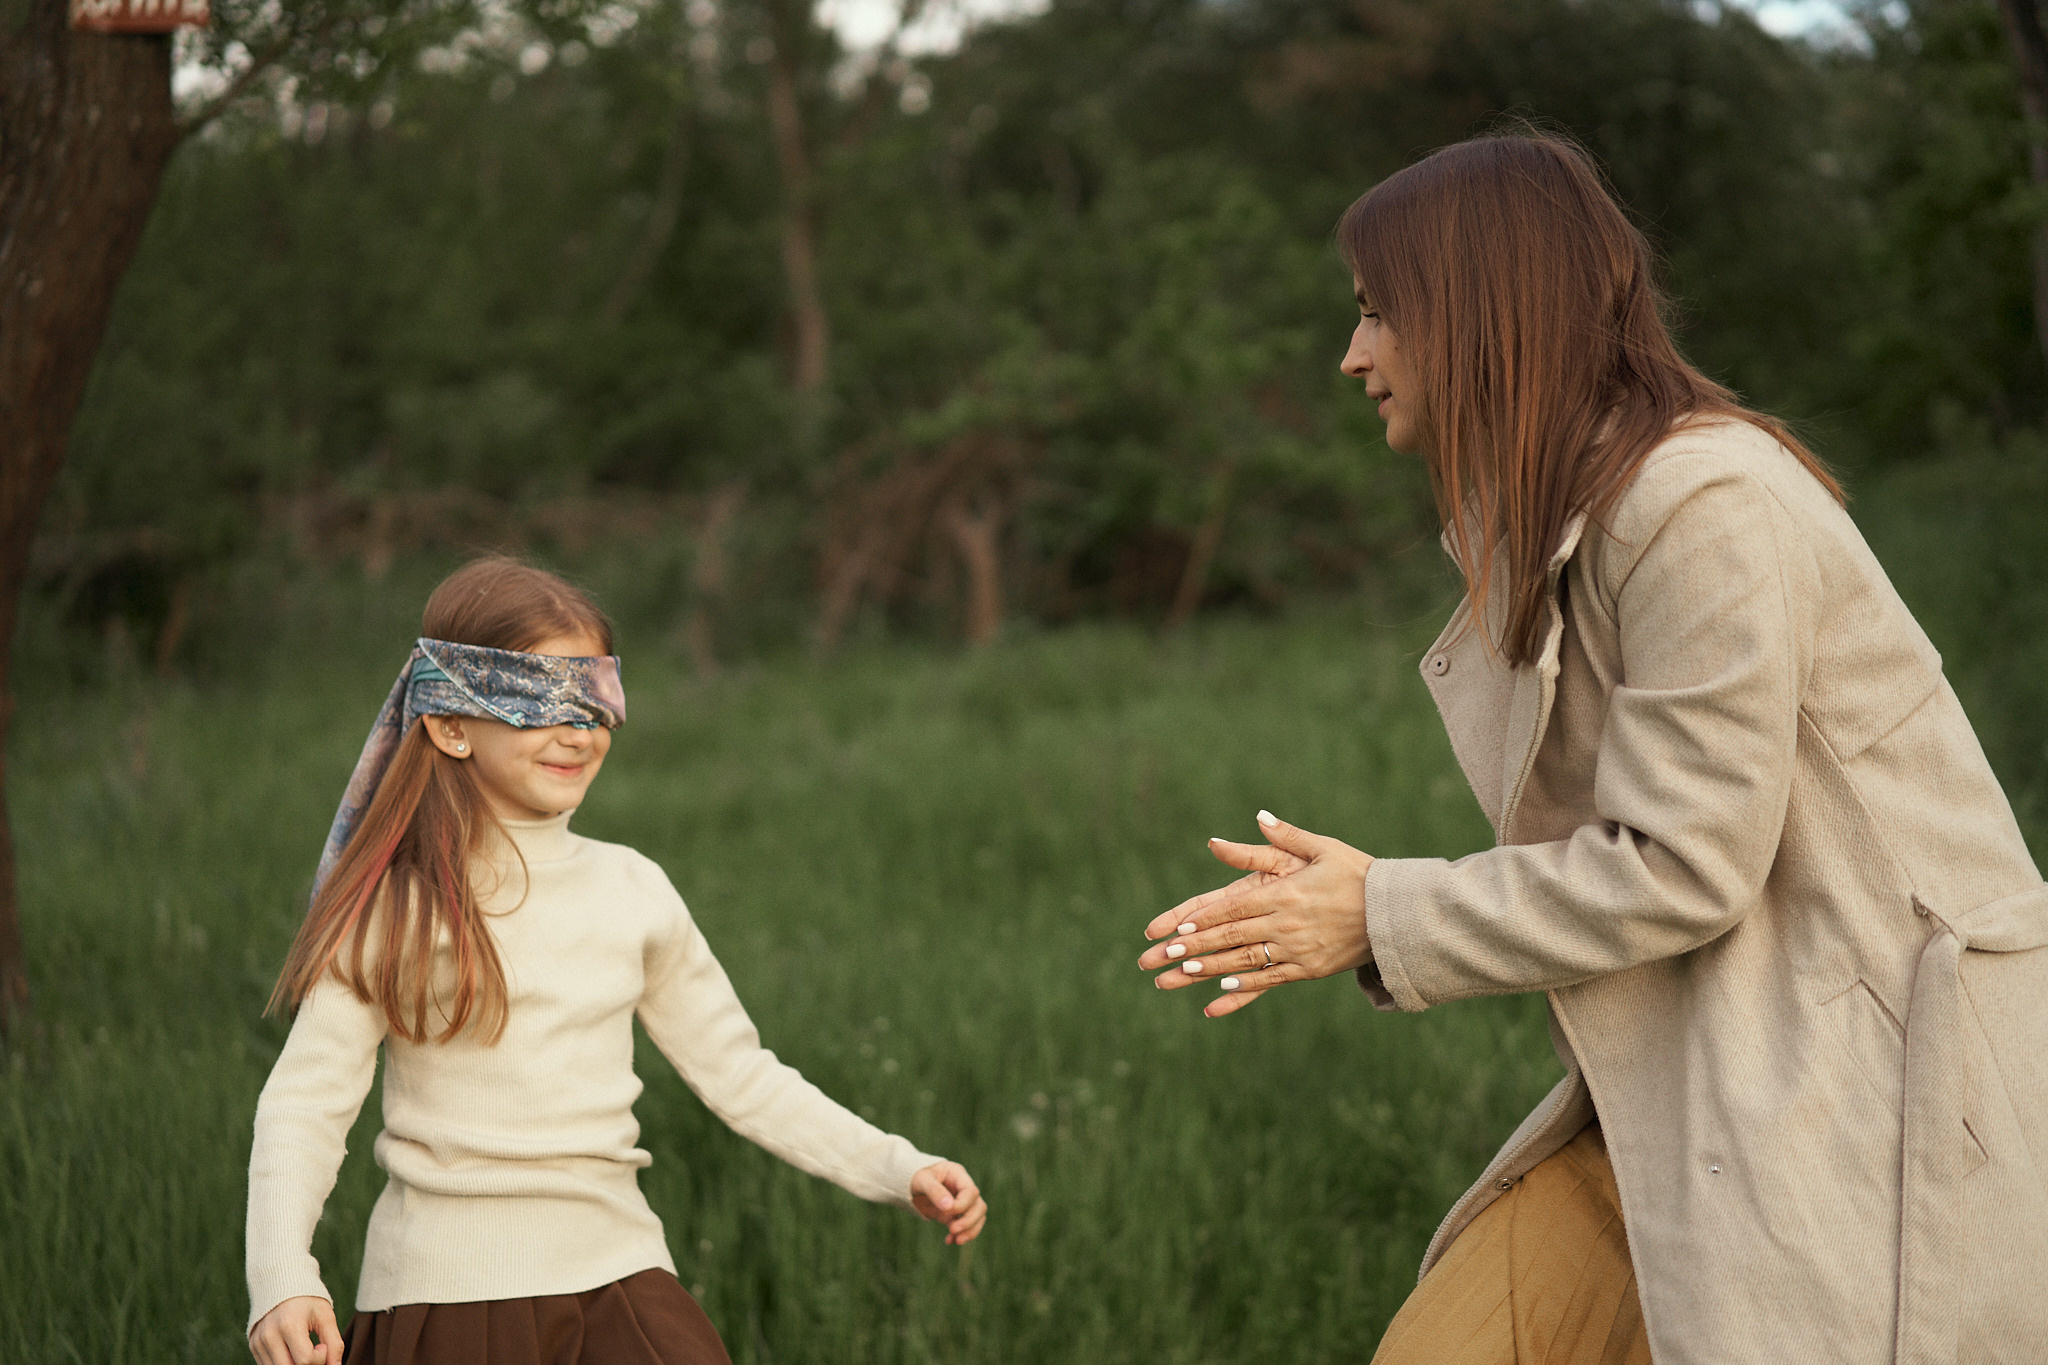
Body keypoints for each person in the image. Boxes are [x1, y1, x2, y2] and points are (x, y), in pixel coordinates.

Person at [1137, 134, 2048, 1364]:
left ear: (1471, 312)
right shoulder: (1571, 522)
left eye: (1375, 315)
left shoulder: (1702, 503)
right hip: (1684, 1092)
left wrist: (1376, 914)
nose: (1351, 356)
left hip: (1869, 1102)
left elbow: (1679, 865)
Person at [246, 557, 985, 1365]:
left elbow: (743, 1073)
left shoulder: (634, 888)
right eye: (541, 700)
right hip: (449, 1301)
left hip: (621, 1278)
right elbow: (305, 1104)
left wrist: (896, 1164)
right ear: (452, 722)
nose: (578, 729)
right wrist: (283, 1274)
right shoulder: (399, 904)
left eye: (595, 702)